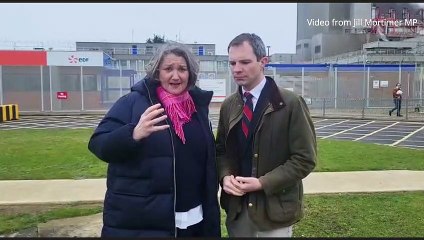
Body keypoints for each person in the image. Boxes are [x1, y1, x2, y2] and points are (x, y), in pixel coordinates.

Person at [88, 43, 220, 237]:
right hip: (145, 221)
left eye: (182, 69)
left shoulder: (197, 108)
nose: (176, 76)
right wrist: (133, 134)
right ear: (157, 73)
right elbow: (98, 144)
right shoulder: (133, 102)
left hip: (194, 218)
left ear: (190, 74)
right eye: (168, 69)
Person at [216, 33, 317, 237]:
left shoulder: (290, 103)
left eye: (245, 62)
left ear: (263, 62)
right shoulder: (228, 105)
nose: (237, 69)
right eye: (232, 63)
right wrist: (224, 176)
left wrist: (263, 183)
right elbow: (221, 152)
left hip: (274, 212)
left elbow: (304, 159)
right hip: (237, 210)